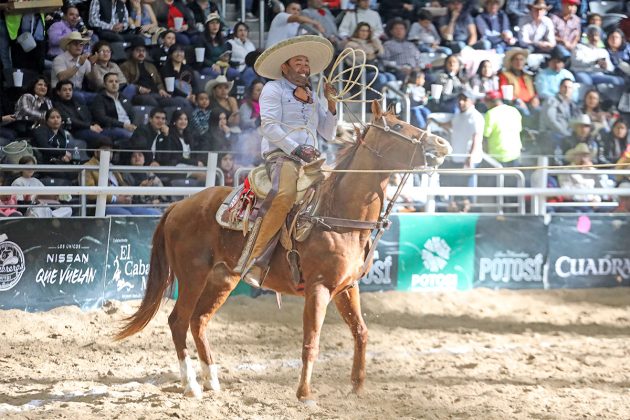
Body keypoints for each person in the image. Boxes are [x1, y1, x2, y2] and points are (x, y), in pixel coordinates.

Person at [241, 35, 338, 287]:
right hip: (282, 155)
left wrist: (332, 104)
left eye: (306, 63)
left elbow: (328, 133)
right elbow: (269, 126)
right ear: (285, 66)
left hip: (312, 159)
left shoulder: (313, 96)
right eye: (299, 62)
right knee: (284, 196)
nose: (304, 67)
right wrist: (297, 150)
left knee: (339, 193)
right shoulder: (273, 89)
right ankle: (256, 260)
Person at [84, 138, 162, 215]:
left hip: (121, 202)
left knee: (154, 213)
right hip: (103, 204)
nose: (109, 153)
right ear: (95, 152)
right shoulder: (88, 167)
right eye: (105, 150)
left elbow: (123, 187)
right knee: (126, 215)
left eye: (110, 151)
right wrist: (115, 199)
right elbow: (90, 193)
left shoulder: (113, 167)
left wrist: (139, 187)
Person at [120, 37, 189, 108]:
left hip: (155, 94)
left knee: (175, 102)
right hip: (138, 95)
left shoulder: (151, 66)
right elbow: (125, 84)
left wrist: (161, 90)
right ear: (132, 52)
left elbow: (159, 82)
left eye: (143, 51)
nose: (141, 53)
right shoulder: (125, 66)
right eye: (138, 51)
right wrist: (139, 88)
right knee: (152, 103)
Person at [53, 80, 112, 149]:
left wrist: (95, 124)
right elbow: (70, 120)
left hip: (89, 128)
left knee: (115, 135)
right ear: (58, 92)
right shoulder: (57, 105)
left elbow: (88, 116)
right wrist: (89, 126)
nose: (68, 92)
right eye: (65, 90)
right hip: (76, 131)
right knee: (105, 140)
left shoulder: (77, 102)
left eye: (70, 90)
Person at [345, 22, 396, 92]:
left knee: (391, 77)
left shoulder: (372, 43)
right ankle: (374, 101)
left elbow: (381, 54)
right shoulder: (350, 44)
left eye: (367, 31)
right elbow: (351, 61)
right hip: (360, 72)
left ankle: (390, 100)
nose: (365, 33)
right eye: (362, 30)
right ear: (357, 31)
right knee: (381, 78)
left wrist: (374, 38)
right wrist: (367, 57)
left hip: (376, 69)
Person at [557, 142, 609, 210]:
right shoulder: (566, 170)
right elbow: (566, 192)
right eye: (580, 155)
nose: (583, 158)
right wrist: (588, 198)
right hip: (574, 204)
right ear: (574, 156)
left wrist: (596, 198)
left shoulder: (593, 171)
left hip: (593, 204)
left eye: (585, 156)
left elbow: (604, 189)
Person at [90, 73, 137, 146]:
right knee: (130, 136)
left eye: (116, 81)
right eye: (111, 81)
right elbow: (102, 118)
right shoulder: (99, 99)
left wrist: (134, 125)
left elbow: (132, 113)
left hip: (128, 127)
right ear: (105, 85)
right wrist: (123, 125)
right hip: (111, 128)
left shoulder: (123, 97)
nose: (114, 84)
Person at [51, 32, 96, 104]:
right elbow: (62, 77)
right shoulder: (59, 59)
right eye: (75, 44)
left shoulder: (85, 61)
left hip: (79, 91)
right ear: (68, 46)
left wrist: (93, 65)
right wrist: (79, 64)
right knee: (80, 97)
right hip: (61, 91)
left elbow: (92, 81)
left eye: (81, 44)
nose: (79, 46)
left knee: (99, 98)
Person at [539, 78, 580, 154]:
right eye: (565, 87)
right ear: (560, 88)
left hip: (567, 136)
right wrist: (565, 133)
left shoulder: (572, 105)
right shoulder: (551, 100)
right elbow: (550, 121)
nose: (567, 90)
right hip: (552, 134)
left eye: (570, 88)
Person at [483, 90, 523, 166]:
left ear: (489, 101)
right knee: (515, 177)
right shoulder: (514, 110)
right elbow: (519, 130)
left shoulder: (490, 114)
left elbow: (485, 135)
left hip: (498, 155)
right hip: (515, 152)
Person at [194, 12, 238, 79]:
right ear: (207, 25)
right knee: (217, 75)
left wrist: (226, 58)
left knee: (234, 73)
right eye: (212, 23)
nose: (215, 25)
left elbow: (225, 54)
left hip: (222, 65)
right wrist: (212, 64)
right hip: (207, 66)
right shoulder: (200, 39)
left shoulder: (222, 39)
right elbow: (201, 59)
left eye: (217, 23)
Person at [498, 48, 540, 115]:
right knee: (524, 112)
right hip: (515, 104)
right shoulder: (504, 75)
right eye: (516, 59)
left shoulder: (528, 76)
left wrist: (535, 98)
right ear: (511, 62)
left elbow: (535, 91)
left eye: (521, 60)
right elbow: (503, 93)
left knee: (540, 112)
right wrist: (517, 100)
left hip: (531, 103)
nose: (519, 62)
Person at [159, 43, 197, 109]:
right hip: (173, 96)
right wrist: (186, 96)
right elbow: (171, 88)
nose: (179, 54)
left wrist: (193, 94)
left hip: (188, 95)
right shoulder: (166, 69)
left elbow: (194, 84)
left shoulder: (188, 68)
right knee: (184, 103)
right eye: (176, 52)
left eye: (181, 52)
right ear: (171, 54)